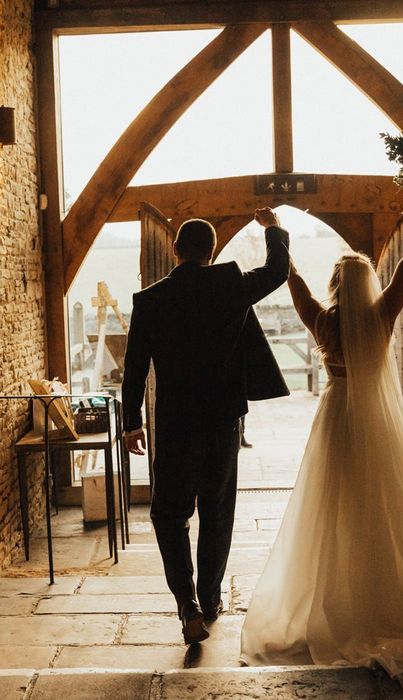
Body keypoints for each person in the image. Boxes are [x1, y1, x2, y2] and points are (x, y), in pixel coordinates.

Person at [241, 189, 403, 697]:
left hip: (337, 422)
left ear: (337, 285)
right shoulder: (383, 317)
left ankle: (340, 601)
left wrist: (273, 232)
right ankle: (390, 596)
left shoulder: (322, 322)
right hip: (378, 424)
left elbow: (292, 282)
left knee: (334, 513)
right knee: (387, 509)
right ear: (370, 285)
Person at [122, 210, 290, 644]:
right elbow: (277, 271)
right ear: (212, 251)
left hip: (175, 422)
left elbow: (135, 369)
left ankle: (186, 604)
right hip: (222, 420)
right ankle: (211, 598)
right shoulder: (230, 285)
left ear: (176, 250)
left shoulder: (150, 300)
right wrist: (271, 228)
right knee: (217, 512)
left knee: (169, 514)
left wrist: (130, 424)